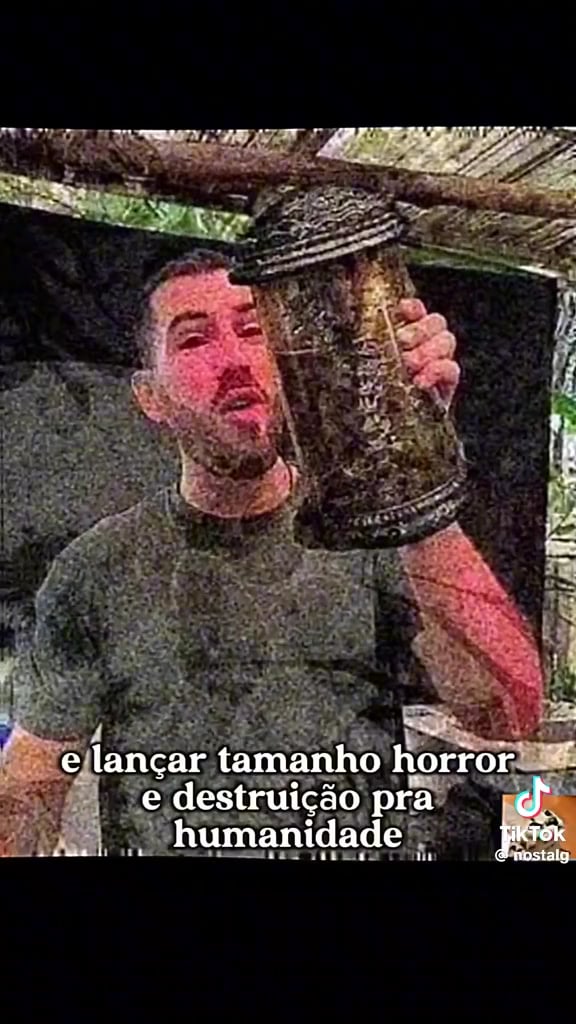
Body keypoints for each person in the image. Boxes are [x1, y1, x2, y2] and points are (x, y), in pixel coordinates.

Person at [0, 249, 544, 858]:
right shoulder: (99, 568)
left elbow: (507, 716)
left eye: (254, 329)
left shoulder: (370, 537)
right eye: (194, 339)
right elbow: (32, 780)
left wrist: (410, 464)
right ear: (151, 397)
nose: (235, 359)